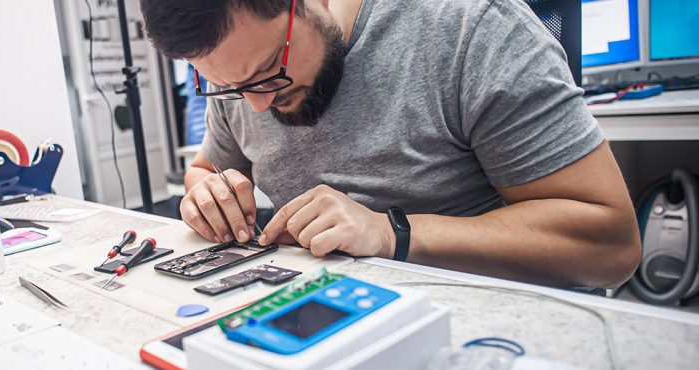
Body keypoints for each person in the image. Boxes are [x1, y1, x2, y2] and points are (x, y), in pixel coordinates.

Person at [139, 0, 641, 288]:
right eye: (228, 87)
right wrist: (207, 192)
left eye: (269, 74)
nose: (254, 106)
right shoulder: (242, 71)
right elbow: (207, 169)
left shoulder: (470, 28)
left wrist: (392, 233)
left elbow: (611, 246)